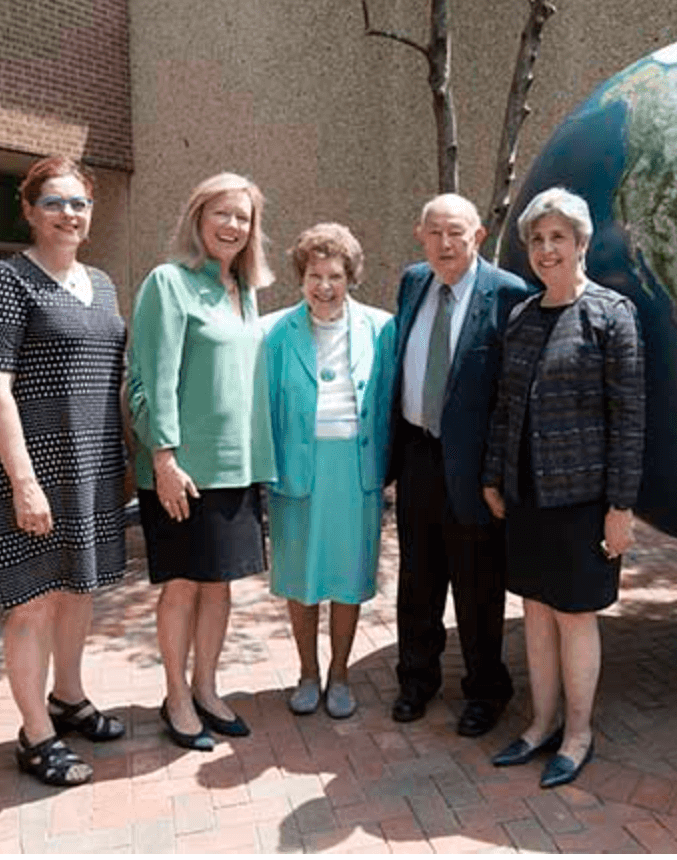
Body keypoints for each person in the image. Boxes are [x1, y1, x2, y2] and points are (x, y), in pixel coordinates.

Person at [0, 155, 128, 786]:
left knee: (78, 591)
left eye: (80, 204)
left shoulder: (104, 284)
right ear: (31, 211)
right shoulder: (7, 280)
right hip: (33, 471)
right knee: (32, 603)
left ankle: (68, 698)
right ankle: (35, 733)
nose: (70, 214)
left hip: (90, 469)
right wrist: (23, 480)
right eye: (56, 203)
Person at [482, 187, 644, 788]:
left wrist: (621, 507)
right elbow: (505, 407)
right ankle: (541, 722)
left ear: (581, 243)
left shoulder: (611, 315)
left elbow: (630, 418)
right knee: (535, 611)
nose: (547, 249)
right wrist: (494, 476)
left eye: (559, 238)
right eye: (538, 239)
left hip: (584, 501)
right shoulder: (523, 316)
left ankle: (578, 733)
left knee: (575, 615)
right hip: (527, 497)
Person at [127, 172, 276, 751]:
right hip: (182, 471)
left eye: (243, 217)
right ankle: (176, 696)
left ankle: (208, 688)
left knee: (220, 587)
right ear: (198, 217)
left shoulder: (246, 292)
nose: (233, 225)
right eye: (222, 213)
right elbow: (148, 380)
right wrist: (162, 457)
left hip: (236, 468)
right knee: (184, 586)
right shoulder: (169, 283)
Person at [389, 193, 536, 736]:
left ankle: (486, 690)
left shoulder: (509, 294)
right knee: (417, 580)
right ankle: (416, 680)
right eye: (434, 233)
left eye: (456, 233)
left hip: (476, 469)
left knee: (478, 586)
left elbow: (513, 397)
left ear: (478, 236)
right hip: (418, 455)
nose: (445, 244)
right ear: (420, 235)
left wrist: (497, 474)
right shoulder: (412, 283)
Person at [264, 223, 395, 720]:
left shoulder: (382, 328)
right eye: (315, 275)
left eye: (335, 275)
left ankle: (340, 673)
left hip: (355, 471)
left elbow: (388, 403)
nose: (324, 286)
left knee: (346, 576)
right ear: (301, 277)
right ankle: (307, 673)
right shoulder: (276, 333)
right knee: (301, 578)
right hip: (298, 469)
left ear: (351, 277)